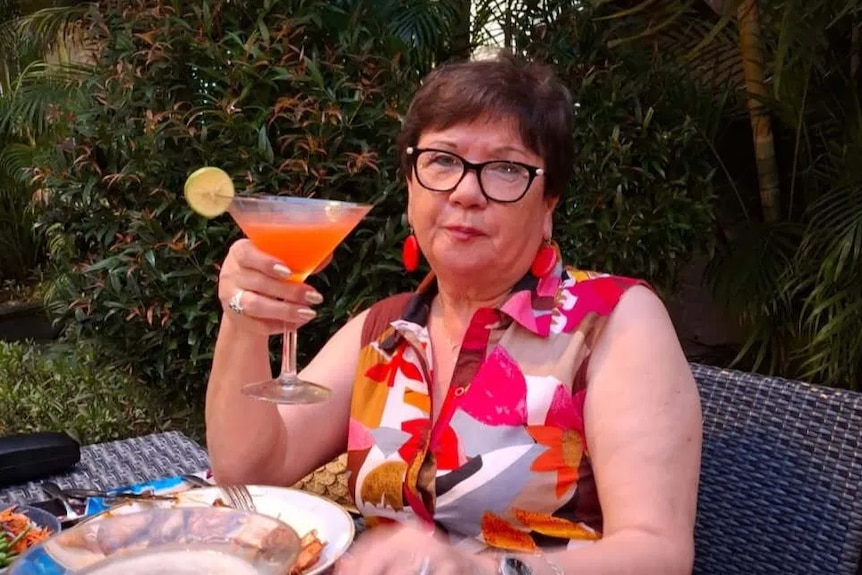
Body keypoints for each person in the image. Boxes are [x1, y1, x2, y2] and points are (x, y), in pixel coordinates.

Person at [205, 52, 702, 575]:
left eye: (506, 168)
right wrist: (241, 322)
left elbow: (659, 553)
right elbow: (251, 470)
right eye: (442, 160)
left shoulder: (613, 321)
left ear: (548, 203)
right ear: (410, 187)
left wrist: (480, 571)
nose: (466, 193)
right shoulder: (386, 332)